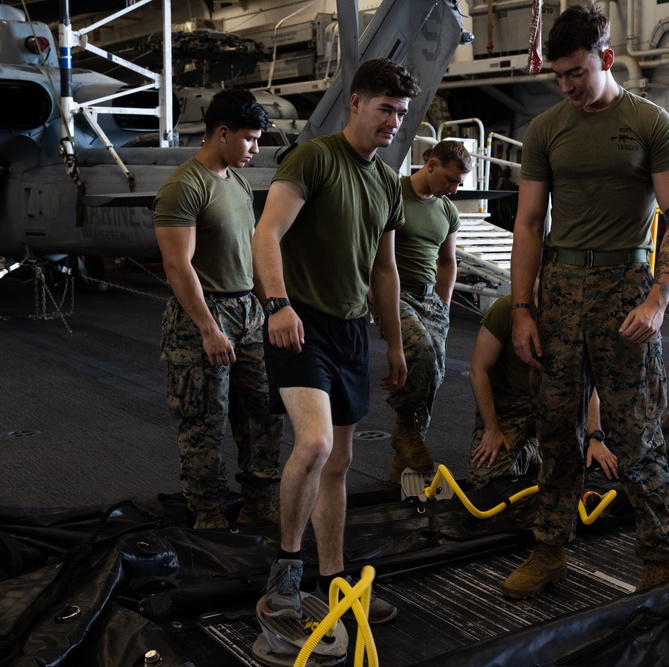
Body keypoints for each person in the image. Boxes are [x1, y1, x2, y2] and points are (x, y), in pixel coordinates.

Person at [504, 2, 669, 599]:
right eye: (558, 76)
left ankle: (660, 558)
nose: (567, 87)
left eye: (577, 74)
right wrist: (521, 309)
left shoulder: (650, 123)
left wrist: (659, 299)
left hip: (626, 291)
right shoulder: (546, 129)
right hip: (559, 291)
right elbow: (529, 224)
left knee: (634, 432)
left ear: (607, 59)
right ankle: (550, 551)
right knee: (555, 429)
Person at [252, 58, 420, 624]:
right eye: (384, 109)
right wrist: (277, 304)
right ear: (355, 102)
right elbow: (266, 233)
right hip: (300, 325)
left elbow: (385, 271)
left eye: (400, 112)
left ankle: (333, 581)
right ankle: (285, 575)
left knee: (340, 462)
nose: (393, 121)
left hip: (351, 330)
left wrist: (395, 345)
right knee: (316, 445)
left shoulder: (388, 183)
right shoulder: (315, 158)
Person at [153, 90, 283, 530]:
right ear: (222, 133)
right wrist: (208, 329)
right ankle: (208, 514)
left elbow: (250, 254)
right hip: (203, 319)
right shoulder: (183, 187)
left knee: (264, 413)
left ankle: (259, 503)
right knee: (205, 421)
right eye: (249, 139)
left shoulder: (238, 182)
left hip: (248, 313)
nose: (255, 149)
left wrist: (274, 309)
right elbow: (177, 264)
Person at [381, 139, 471, 483]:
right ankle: (406, 430)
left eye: (458, 184)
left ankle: (402, 462)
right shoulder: (394, 194)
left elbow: (447, 262)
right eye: (449, 180)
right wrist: (375, 293)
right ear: (430, 164)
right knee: (421, 351)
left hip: (431, 298)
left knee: (434, 373)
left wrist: (444, 304)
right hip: (396, 293)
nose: (452, 189)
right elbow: (372, 250)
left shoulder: (448, 210)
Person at [467, 295, 614, 490]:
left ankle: (541, 448)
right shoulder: (505, 309)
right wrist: (491, 430)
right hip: (511, 404)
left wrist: (595, 438)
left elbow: (588, 381)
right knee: (482, 483)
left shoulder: (577, 312)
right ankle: (530, 450)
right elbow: (478, 370)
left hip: (557, 400)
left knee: (583, 472)